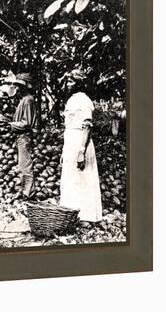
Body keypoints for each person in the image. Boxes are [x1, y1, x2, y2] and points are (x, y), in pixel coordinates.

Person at [59, 69, 102, 222]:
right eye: (68, 81)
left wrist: (81, 151)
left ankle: (87, 216)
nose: (68, 84)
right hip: (70, 141)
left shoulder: (84, 100)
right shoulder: (72, 100)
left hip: (79, 141)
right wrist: (65, 151)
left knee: (83, 178)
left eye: (71, 82)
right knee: (72, 178)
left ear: (79, 84)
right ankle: (72, 213)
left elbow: (87, 127)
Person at [8, 73, 39, 198]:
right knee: (22, 165)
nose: (18, 88)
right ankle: (25, 191)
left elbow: (27, 123)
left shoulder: (28, 100)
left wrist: (10, 125)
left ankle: (28, 193)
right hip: (21, 136)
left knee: (25, 165)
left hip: (24, 136)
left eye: (20, 86)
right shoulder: (24, 100)